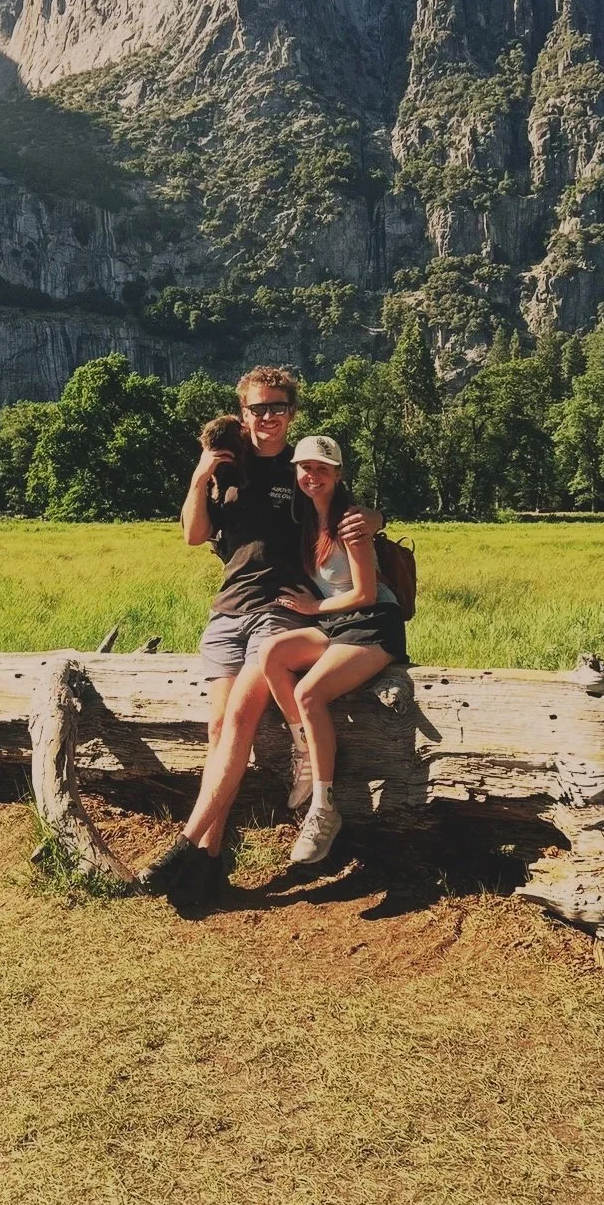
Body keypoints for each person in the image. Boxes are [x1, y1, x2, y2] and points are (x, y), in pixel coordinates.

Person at [136, 367, 382, 906]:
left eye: (277, 407)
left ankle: (183, 847)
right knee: (219, 725)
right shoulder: (227, 464)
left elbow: (351, 510)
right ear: (241, 411)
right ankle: (209, 863)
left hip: (280, 611)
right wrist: (200, 477)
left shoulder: (302, 467)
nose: (266, 417)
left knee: (242, 720)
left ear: (292, 412)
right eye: (256, 408)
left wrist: (375, 519)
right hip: (227, 612)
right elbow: (193, 534)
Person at [259, 434, 407, 865]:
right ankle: (305, 746)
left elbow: (363, 592)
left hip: (373, 623)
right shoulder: (305, 518)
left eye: (322, 469)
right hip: (335, 624)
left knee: (309, 694)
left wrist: (313, 606)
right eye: (305, 468)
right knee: (273, 655)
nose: (312, 476)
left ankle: (323, 810)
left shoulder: (350, 523)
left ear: (338, 474)